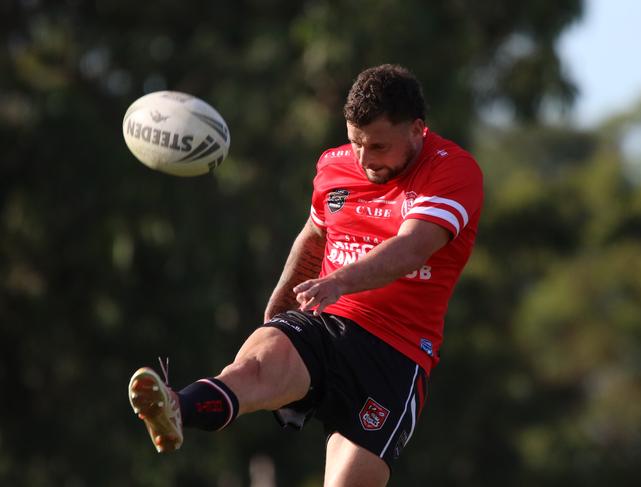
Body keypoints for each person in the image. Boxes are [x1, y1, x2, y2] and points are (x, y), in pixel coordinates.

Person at [129, 64, 483, 487]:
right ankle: (176, 408)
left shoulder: (452, 171)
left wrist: (338, 281)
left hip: (396, 352)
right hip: (325, 322)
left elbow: (411, 249)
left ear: (417, 130)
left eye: (379, 146)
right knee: (254, 369)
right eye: (356, 143)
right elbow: (314, 237)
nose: (365, 159)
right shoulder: (334, 165)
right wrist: (279, 305)